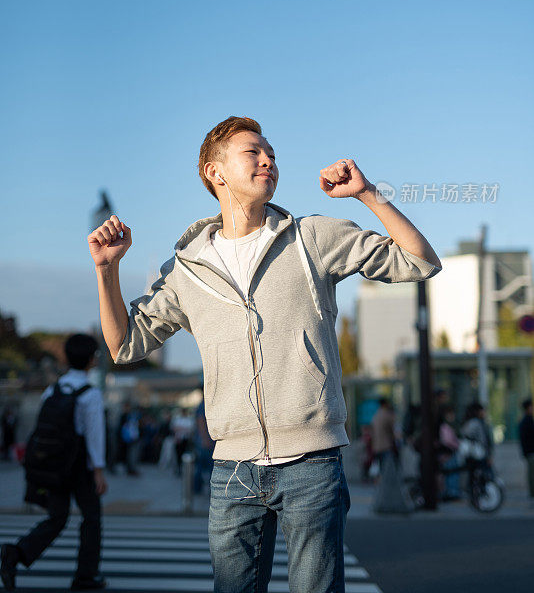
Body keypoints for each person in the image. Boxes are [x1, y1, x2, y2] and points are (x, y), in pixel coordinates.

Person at [87, 115, 441, 593]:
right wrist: (106, 271)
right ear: (216, 172)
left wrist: (368, 194)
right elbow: (124, 345)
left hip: (312, 462)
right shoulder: (186, 269)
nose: (268, 160)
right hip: (231, 469)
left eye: (270, 152)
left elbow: (420, 260)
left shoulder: (312, 238)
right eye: (252, 152)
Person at [0, 334, 107, 592]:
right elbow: (94, 435)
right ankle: (85, 576)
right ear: (92, 360)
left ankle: (16, 553)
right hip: (79, 465)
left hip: (56, 465)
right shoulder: (90, 394)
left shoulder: (53, 389)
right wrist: (99, 471)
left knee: (57, 518)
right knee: (91, 518)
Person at [437, 405, 462, 501]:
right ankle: (451, 492)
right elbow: (447, 441)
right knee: (451, 473)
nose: (452, 416)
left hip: (448, 453)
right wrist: (456, 444)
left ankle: (451, 492)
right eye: (450, 414)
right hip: (448, 453)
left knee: (450, 473)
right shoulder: (444, 427)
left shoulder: (447, 426)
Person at [370, 399, 398, 472]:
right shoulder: (387, 415)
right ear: (385, 404)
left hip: (376, 446)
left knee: (381, 467)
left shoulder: (376, 415)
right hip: (386, 445)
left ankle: (380, 480)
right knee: (389, 467)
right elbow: (392, 430)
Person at [518, 398, 534, 505]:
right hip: (531, 452)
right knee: (532, 476)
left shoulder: (526, 420)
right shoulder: (527, 421)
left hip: (529, 452)